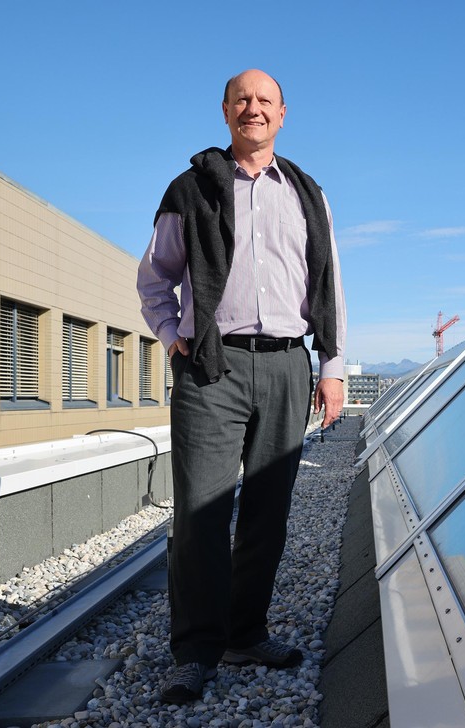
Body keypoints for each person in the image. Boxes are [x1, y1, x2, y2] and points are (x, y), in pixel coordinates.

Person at [136, 68, 346, 704]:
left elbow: (328, 283)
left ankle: (244, 632)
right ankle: (196, 650)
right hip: (211, 366)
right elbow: (155, 278)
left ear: (283, 114)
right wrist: (174, 334)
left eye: (265, 101)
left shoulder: (308, 192)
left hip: (287, 365)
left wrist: (332, 364)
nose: (253, 110)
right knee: (199, 514)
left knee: (267, 514)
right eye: (242, 101)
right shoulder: (191, 187)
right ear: (225, 111)